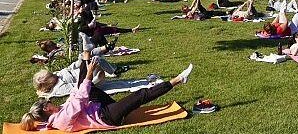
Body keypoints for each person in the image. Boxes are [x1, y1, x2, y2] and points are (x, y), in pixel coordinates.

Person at [20, 53, 193, 131]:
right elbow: (79, 99)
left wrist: (84, 64)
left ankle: (86, 58)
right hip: (107, 118)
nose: (52, 102)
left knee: (88, 88)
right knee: (139, 95)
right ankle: (178, 80)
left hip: (100, 108)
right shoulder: (62, 120)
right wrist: (88, 73)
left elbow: (77, 93)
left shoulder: (58, 112)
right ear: (46, 108)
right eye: (49, 102)